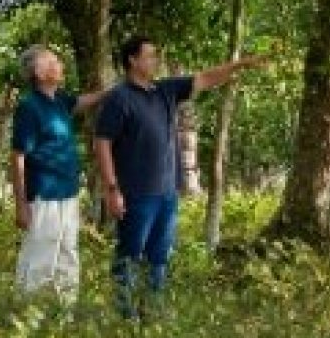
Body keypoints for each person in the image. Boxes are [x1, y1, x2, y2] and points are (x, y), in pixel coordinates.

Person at [94, 35, 268, 319]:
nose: (155, 60)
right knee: (129, 256)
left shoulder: (165, 91)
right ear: (132, 60)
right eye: (150, 56)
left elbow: (207, 77)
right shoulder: (119, 98)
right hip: (135, 193)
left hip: (166, 192)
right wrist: (112, 189)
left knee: (159, 257)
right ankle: (125, 318)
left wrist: (242, 64)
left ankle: (153, 312)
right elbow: (102, 143)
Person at [9, 44, 106, 306]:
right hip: (43, 195)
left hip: (68, 192)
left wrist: (109, 92)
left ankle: (65, 314)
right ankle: (27, 314)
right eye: (52, 62)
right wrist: (20, 204)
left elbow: (81, 102)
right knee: (40, 256)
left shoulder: (59, 99)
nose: (59, 66)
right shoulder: (29, 107)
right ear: (38, 73)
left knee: (68, 253)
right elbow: (18, 157)